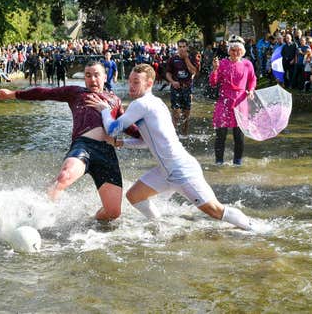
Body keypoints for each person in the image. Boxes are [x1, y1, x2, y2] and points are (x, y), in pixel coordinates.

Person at [86, 63, 255, 230]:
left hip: (181, 170)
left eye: (136, 82)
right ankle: (160, 226)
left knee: (215, 210)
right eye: (130, 81)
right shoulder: (157, 103)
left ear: (149, 83)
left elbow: (112, 129)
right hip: (165, 170)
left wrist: (104, 110)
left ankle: (256, 229)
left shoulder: (141, 104)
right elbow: (147, 142)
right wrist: (120, 143)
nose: (131, 86)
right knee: (134, 196)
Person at [0, 61, 139, 221]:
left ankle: (91, 223)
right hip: (84, 145)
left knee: (113, 213)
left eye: (96, 75)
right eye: (88, 75)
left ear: (105, 77)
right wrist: (13, 94)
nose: (92, 79)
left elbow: (128, 126)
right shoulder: (76, 92)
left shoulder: (114, 100)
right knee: (65, 176)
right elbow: (45, 93)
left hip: (107, 153)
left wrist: (153, 136)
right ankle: (35, 215)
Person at [208, 38, 256, 166]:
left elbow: (252, 79)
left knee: (239, 136)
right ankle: (218, 162)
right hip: (224, 101)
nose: (236, 53)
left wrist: (251, 90)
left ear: (242, 51)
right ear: (229, 51)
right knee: (220, 135)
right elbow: (213, 83)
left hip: (240, 102)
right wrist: (215, 69)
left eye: (238, 50)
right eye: (233, 50)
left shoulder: (247, 64)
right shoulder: (222, 63)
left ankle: (237, 163)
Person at [165, 38, 200, 135]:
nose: (182, 49)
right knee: (175, 112)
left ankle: (184, 134)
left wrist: (186, 58)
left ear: (187, 47)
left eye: (184, 47)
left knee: (186, 114)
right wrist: (172, 82)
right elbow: (168, 73)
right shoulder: (172, 59)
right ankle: (173, 134)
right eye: (180, 47)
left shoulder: (192, 59)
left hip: (187, 88)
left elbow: (194, 72)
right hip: (176, 88)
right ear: (177, 47)